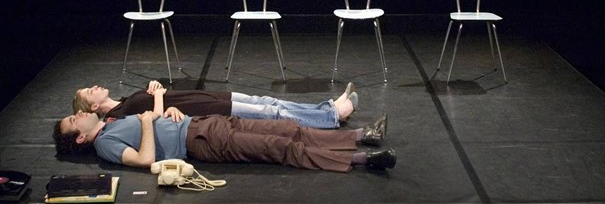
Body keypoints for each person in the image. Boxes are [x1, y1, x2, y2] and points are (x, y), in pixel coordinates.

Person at [53, 109, 394, 172]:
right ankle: (361, 161)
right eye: (73, 119)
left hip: (202, 123)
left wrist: (163, 111)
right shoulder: (104, 144)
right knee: (280, 148)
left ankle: (361, 136)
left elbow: (154, 121)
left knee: (289, 129)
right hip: (199, 141)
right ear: (80, 138)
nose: (78, 113)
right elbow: (145, 159)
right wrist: (145, 122)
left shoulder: (111, 124)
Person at [72, 80, 358, 129]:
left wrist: (154, 87)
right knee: (270, 113)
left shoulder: (123, 101)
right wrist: (157, 96)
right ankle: (332, 117)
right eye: (89, 92)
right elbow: (153, 120)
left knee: (268, 101)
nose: (95, 87)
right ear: (92, 107)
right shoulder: (118, 115)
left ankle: (326, 109)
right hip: (204, 110)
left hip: (205, 97)